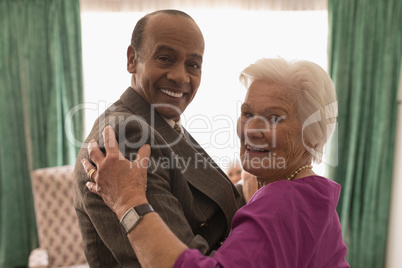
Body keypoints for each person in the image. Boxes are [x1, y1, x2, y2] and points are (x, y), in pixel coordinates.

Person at [82, 58, 349, 267]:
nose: (252, 129)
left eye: (275, 118)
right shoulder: (308, 193)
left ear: (313, 137)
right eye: (247, 113)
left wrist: (128, 200)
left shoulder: (282, 203)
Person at [74, 9, 245, 267]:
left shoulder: (162, 122)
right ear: (132, 59)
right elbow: (186, 259)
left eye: (193, 65)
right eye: (165, 58)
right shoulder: (128, 135)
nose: (181, 76)